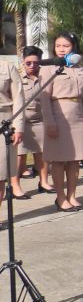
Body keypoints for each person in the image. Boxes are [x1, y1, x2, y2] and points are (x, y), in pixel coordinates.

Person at [40, 32, 83, 212]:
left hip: (77, 116)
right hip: (58, 115)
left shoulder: (80, 68)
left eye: (66, 46)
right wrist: (50, 122)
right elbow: (44, 99)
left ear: (74, 47)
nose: (61, 49)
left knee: (75, 159)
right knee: (59, 160)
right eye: (58, 45)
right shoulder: (49, 68)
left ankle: (72, 195)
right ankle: (60, 197)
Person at [10, 47, 51, 198]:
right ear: (23, 61)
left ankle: (43, 182)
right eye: (28, 63)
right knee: (19, 155)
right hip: (21, 121)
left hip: (40, 120)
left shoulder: (45, 76)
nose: (32, 66)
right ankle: (15, 186)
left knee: (42, 153)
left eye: (36, 63)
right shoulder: (17, 76)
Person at [0, 52, 25, 204]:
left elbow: (19, 98)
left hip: (3, 122)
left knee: (0, 174)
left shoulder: (7, 67)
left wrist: (18, 127)